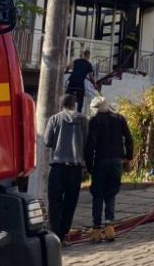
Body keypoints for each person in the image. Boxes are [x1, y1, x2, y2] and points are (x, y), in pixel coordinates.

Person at [84, 95, 134, 243]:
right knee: (111, 193)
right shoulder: (119, 118)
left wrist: (89, 165)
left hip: (101, 161)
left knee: (98, 194)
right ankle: (110, 226)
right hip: (116, 161)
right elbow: (129, 139)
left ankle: (96, 229)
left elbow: (90, 145)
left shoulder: (95, 120)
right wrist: (128, 158)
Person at [44, 93, 87, 246]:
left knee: (54, 202)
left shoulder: (55, 119)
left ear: (61, 105)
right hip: (75, 169)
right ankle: (63, 235)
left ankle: (55, 236)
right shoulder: (82, 120)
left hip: (57, 167)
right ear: (74, 105)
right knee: (70, 202)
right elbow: (87, 142)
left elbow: (48, 141)